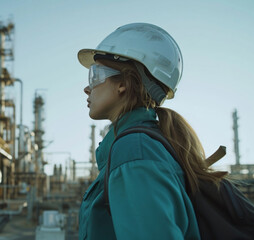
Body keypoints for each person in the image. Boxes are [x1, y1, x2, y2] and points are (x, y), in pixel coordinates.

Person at [77, 23, 224, 239]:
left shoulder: (135, 151)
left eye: (95, 75)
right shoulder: (146, 146)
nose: (87, 87)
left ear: (124, 84)